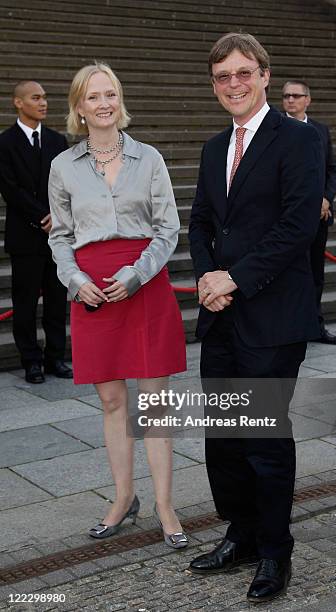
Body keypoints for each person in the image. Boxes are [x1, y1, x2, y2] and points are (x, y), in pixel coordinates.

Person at [188, 33, 324, 603]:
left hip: (271, 317)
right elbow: (198, 222)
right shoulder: (215, 145)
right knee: (223, 438)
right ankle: (240, 533)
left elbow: (297, 227)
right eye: (223, 76)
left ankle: (275, 551)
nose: (234, 84)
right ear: (215, 84)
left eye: (245, 72)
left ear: (265, 75)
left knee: (263, 438)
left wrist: (234, 278)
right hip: (221, 317)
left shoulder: (300, 139)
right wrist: (206, 277)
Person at [48, 63, 188, 548]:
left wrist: (133, 276)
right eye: (93, 97)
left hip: (143, 281)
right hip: (91, 290)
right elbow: (61, 236)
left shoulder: (148, 158)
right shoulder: (62, 166)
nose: (104, 103)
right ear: (79, 107)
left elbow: (168, 229)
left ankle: (166, 505)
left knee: (155, 405)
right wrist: (74, 278)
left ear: (119, 100)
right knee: (112, 402)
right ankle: (123, 497)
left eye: (110, 94)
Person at [0, 81, 72, 383]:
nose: (43, 103)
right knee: (26, 303)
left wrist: (57, 215)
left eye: (44, 97)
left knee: (57, 302)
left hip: (56, 236)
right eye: (35, 98)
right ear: (18, 102)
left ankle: (55, 358)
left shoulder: (57, 140)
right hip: (25, 236)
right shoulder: (4, 142)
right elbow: (9, 188)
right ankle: (30, 360)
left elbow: (67, 183)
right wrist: (43, 215)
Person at [282, 79, 336, 345]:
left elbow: (332, 169)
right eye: (286, 96)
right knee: (289, 275)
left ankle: (316, 326)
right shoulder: (273, 129)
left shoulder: (321, 130)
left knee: (315, 273)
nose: (290, 100)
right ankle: (290, 327)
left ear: (308, 99)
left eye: (296, 96)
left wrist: (326, 199)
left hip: (319, 218)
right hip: (286, 219)